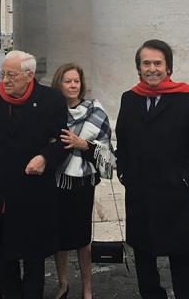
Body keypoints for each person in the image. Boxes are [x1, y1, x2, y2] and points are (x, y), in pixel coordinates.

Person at [115, 39, 189, 299]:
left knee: (182, 259)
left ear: (168, 67)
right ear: (139, 68)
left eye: (158, 63)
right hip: (140, 194)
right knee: (144, 259)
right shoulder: (129, 99)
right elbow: (121, 141)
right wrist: (124, 174)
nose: (152, 68)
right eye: (146, 63)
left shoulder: (188, 99)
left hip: (175, 194)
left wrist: (184, 180)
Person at [0, 50, 68, 299]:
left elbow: (61, 140)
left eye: (11, 75)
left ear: (29, 75)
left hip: (32, 191)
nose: (5, 80)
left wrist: (45, 157)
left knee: (33, 259)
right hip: (0, 190)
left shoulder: (51, 99)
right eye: (2, 74)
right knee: (2, 258)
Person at [51, 63, 116, 299]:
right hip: (56, 182)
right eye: (67, 81)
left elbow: (108, 155)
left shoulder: (95, 112)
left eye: (76, 81)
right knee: (58, 237)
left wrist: (83, 145)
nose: (72, 85)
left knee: (82, 238)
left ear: (82, 84)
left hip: (82, 184)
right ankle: (63, 284)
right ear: (59, 84)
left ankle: (87, 288)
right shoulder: (51, 112)